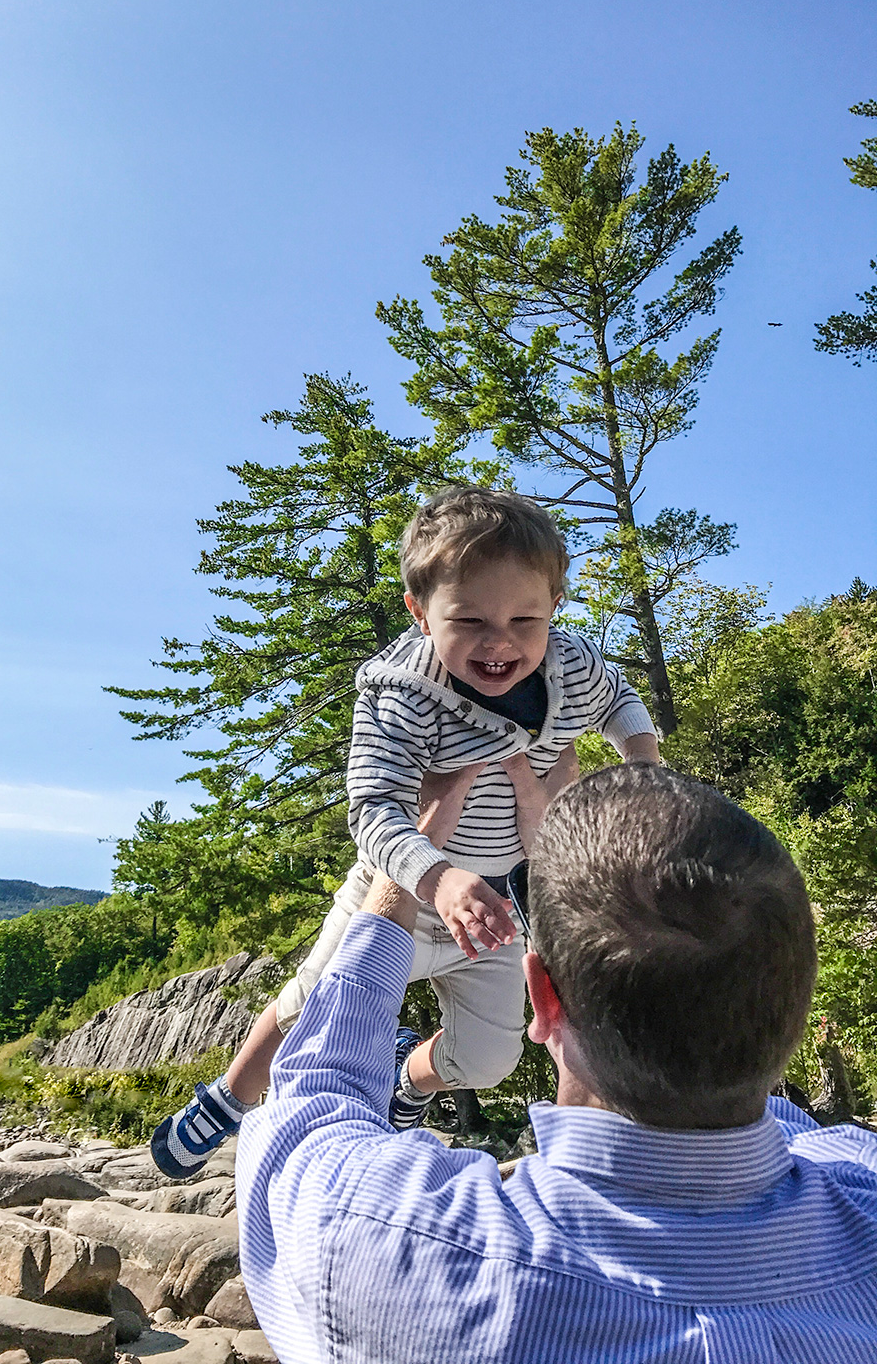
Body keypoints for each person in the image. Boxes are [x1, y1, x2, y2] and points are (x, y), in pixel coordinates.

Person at [236, 763, 877, 1364]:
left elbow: (306, 1108)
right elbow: (800, 1132)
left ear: (541, 998)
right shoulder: (858, 1183)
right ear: (795, 1008)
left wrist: (407, 852)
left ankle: (407, 1073)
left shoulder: (410, 1247)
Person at [151, 486, 660, 1180]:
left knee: (491, 1059)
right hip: (404, 893)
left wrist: (645, 768)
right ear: (421, 613)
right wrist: (440, 877)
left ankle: (408, 1079)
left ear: (555, 607)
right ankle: (231, 1096)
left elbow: (621, 701)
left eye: (524, 618)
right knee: (311, 1005)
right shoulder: (400, 693)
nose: (499, 642)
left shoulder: (569, 666)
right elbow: (372, 813)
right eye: (470, 619)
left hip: (494, 910)